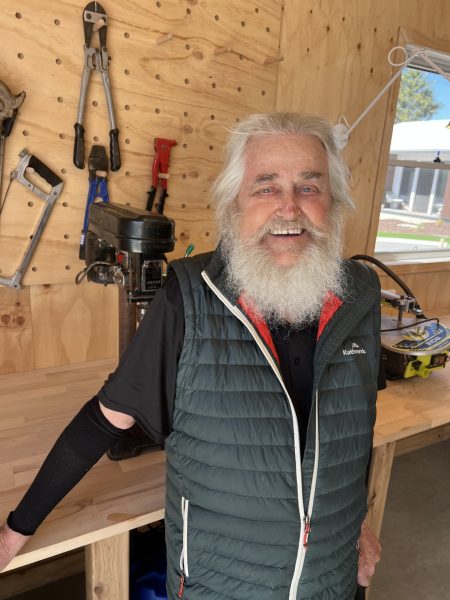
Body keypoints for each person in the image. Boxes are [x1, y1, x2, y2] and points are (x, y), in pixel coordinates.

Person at [0, 112, 382, 599]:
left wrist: (358, 520)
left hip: (333, 583)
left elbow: (354, 426)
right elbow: (102, 422)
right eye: (265, 187)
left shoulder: (362, 296)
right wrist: (14, 533)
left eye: (310, 187)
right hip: (219, 588)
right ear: (233, 205)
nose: (289, 208)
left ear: (335, 202)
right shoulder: (189, 297)